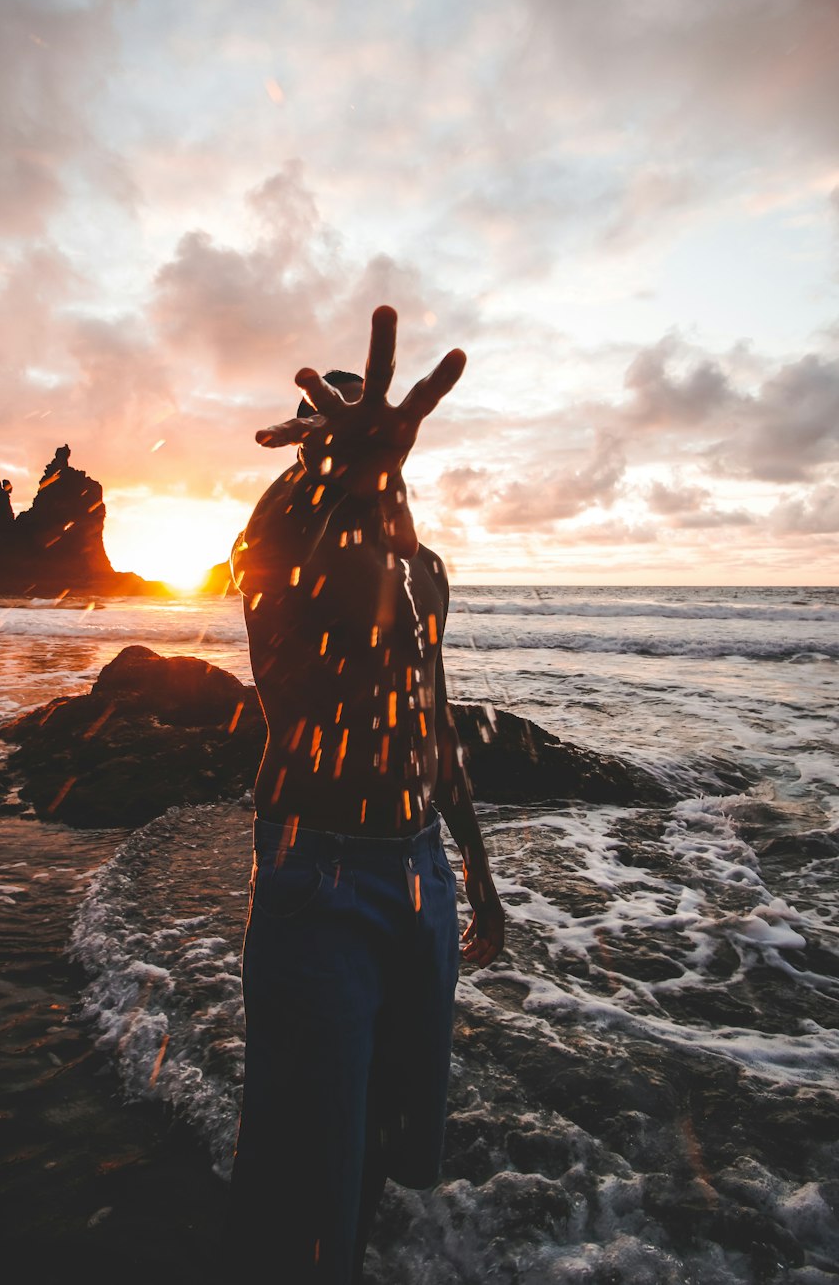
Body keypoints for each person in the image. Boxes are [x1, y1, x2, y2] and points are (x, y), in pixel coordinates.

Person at [226, 305, 505, 1284]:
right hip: (321, 876)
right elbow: (292, 672)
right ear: (311, 449)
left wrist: (476, 862)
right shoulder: (276, 539)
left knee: (392, 1147)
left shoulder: (422, 569)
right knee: (310, 1178)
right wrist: (330, 479)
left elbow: (429, 713)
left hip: (420, 870)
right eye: (339, 434)